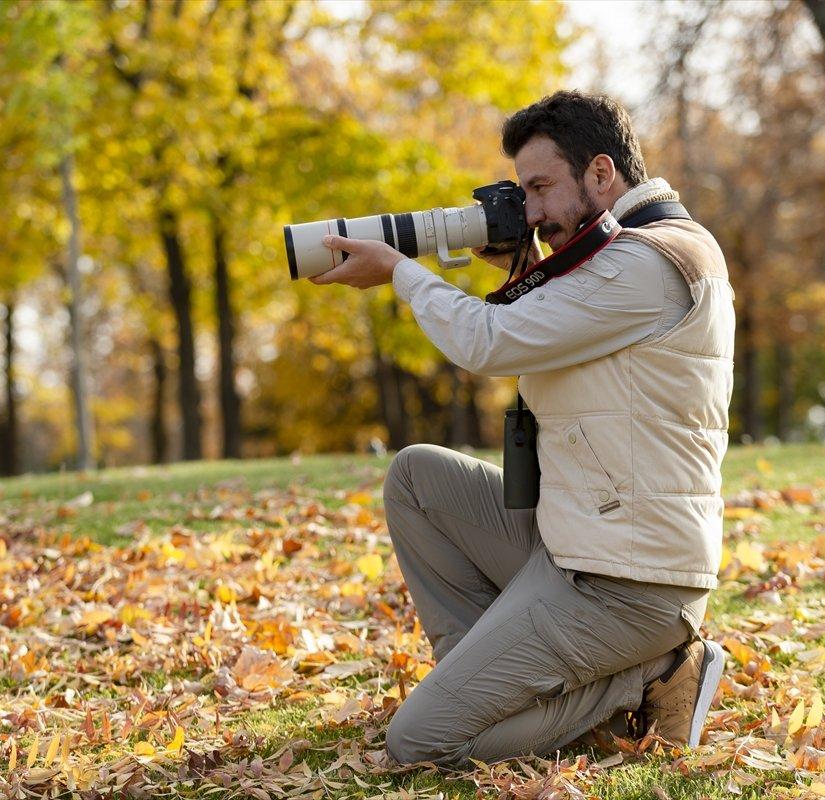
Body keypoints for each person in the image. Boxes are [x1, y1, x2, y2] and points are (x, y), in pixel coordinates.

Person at [311, 90, 735, 767]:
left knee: (420, 742)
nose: (530, 210)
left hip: (626, 583)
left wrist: (400, 272)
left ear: (601, 174)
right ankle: (492, 689)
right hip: (575, 545)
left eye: (540, 187)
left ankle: (655, 673)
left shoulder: (649, 261)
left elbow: (491, 342)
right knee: (418, 477)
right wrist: (521, 269)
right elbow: (553, 323)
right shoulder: (620, 256)